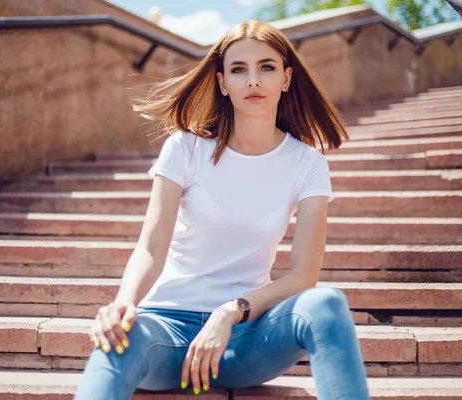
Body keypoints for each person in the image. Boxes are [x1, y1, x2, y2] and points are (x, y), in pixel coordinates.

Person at [73, 19, 370, 400]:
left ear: (286, 78)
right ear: (222, 82)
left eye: (266, 67)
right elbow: (150, 248)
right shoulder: (185, 148)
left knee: (326, 303)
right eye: (238, 69)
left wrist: (230, 311)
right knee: (120, 338)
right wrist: (124, 304)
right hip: (165, 330)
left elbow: (303, 276)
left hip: (244, 339)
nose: (253, 81)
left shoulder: (306, 163)